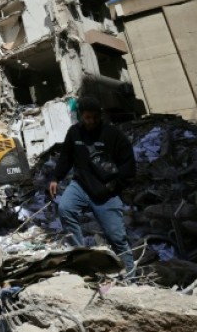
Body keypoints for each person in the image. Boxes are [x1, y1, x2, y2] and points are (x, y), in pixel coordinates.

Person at [49, 96, 137, 274]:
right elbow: (66, 157)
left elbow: (129, 167)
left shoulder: (113, 135)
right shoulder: (74, 133)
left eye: (95, 117)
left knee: (116, 237)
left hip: (106, 191)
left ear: (100, 115)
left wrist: (113, 186)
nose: (92, 121)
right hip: (81, 185)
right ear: (81, 116)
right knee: (65, 208)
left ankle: (130, 277)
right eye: (88, 117)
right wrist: (55, 178)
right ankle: (82, 257)